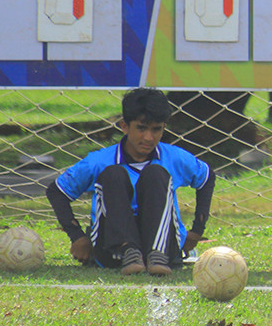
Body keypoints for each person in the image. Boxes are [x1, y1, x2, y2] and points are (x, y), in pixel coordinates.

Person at [45, 87, 215, 276]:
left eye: (156, 130)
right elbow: (57, 191)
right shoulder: (99, 161)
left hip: (165, 252)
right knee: (113, 175)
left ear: (163, 128)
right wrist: (77, 237)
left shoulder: (174, 157)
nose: (148, 138)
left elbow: (206, 178)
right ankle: (128, 250)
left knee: (156, 174)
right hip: (112, 251)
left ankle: (156, 254)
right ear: (124, 126)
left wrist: (197, 231)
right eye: (141, 129)